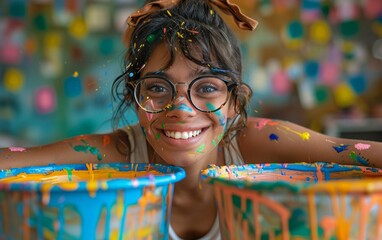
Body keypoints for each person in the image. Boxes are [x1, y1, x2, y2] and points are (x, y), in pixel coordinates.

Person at [1, 0, 382, 239]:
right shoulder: (118, 152)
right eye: (157, 88)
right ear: (135, 100)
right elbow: (12, 162)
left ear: (235, 101)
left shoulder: (254, 143)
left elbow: (361, 152)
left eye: (207, 88)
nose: (181, 108)